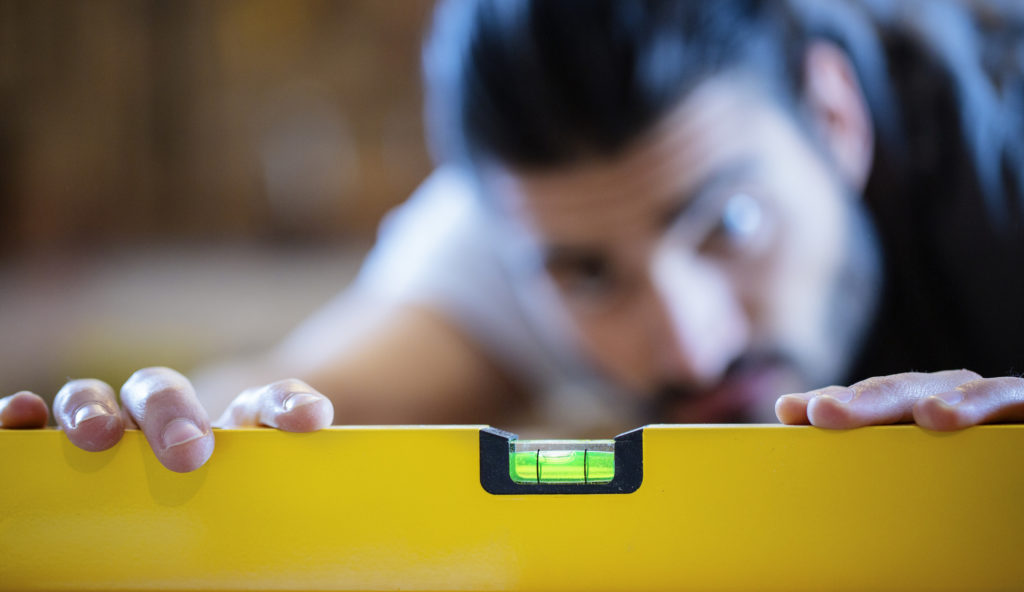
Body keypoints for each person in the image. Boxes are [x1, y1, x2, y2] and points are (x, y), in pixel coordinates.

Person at [2, 0, 1024, 473]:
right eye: (585, 276)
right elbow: (275, 400)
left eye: (729, 226)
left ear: (833, 118)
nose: (690, 347)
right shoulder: (528, 212)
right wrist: (159, 434)